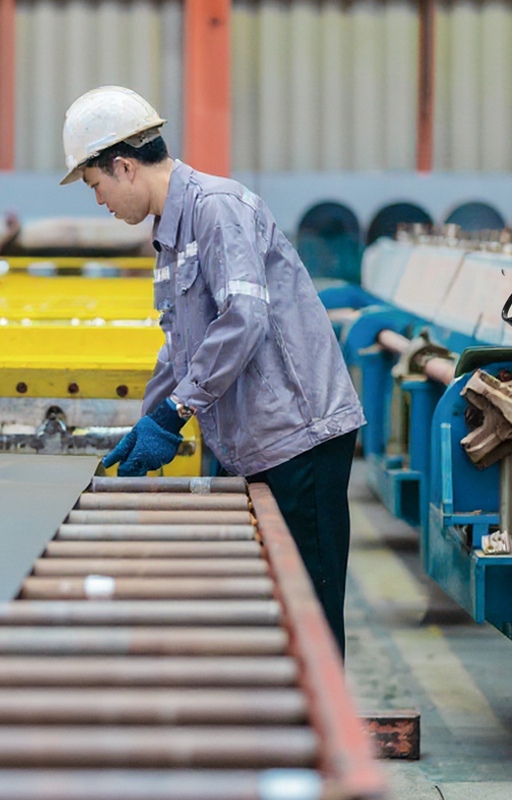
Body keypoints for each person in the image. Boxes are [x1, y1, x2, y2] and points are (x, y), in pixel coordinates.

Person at [62, 86, 365, 653]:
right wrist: (149, 422)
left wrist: (175, 413)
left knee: (311, 610)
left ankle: (325, 711)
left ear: (124, 166)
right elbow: (178, 348)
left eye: (95, 185)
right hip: (256, 440)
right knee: (272, 609)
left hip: (299, 437)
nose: (100, 201)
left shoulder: (217, 208)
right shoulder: (171, 235)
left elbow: (244, 319)